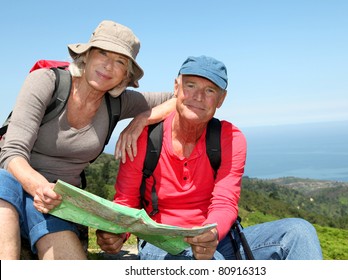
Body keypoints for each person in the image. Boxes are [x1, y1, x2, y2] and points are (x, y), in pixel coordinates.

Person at [96, 55, 323, 260]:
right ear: (176, 87)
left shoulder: (230, 138)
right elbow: (126, 201)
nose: (198, 97)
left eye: (210, 90)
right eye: (191, 86)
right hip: (162, 241)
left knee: (299, 232)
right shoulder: (144, 137)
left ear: (221, 99)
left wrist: (211, 234)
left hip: (217, 237)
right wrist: (117, 233)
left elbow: (225, 202)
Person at [0, 20, 175, 260]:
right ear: (87, 56)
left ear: (126, 75)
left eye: (120, 61)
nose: (108, 66)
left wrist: (141, 119)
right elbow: (12, 151)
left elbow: (182, 97)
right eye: (102, 53)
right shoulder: (47, 82)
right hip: (12, 185)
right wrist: (40, 188)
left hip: (58, 200)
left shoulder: (118, 102)